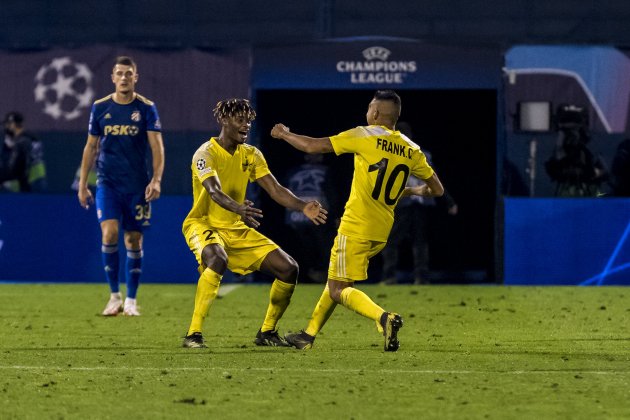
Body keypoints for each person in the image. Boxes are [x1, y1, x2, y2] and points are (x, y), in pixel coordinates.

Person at [271, 90, 444, 352]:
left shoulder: (365, 134)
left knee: (339, 288)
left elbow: (313, 146)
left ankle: (384, 318)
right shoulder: (412, 149)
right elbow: (437, 190)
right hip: (381, 229)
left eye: (369, 108)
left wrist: (284, 134)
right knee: (336, 279)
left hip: (356, 225)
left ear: (375, 113)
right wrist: (414, 190)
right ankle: (308, 335)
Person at [181, 98, 328, 349]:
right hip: (203, 224)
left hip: (235, 228)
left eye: (248, 121)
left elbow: (275, 189)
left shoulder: (251, 154)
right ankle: (193, 334)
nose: (246, 125)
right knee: (218, 259)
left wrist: (302, 205)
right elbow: (214, 191)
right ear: (224, 120)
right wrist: (238, 207)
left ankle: (267, 332)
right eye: (240, 120)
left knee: (288, 268)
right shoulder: (205, 153)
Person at [77, 56, 165, 317]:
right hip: (108, 183)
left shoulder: (147, 108)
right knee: (110, 234)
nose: (124, 77)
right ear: (112, 78)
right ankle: (114, 295)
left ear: (135, 77)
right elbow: (91, 147)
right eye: (119, 73)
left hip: (137, 184)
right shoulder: (100, 107)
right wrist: (83, 184)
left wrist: (156, 180)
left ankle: (132, 300)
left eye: (129, 73)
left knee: (134, 238)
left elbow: (157, 147)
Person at [284, 153, 335, 283]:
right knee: (317, 247)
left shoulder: (294, 171)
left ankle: (311, 275)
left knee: (308, 247)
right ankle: (313, 275)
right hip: (314, 214)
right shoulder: (325, 171)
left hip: (299, 214)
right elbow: (332, 194)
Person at [0, 112, 47, 192]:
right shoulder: (31, 136)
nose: (6, 127)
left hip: (31, 179)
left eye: (8, 124)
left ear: (13, 124)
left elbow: (21, 164)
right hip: (38, 177)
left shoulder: (22, 140)